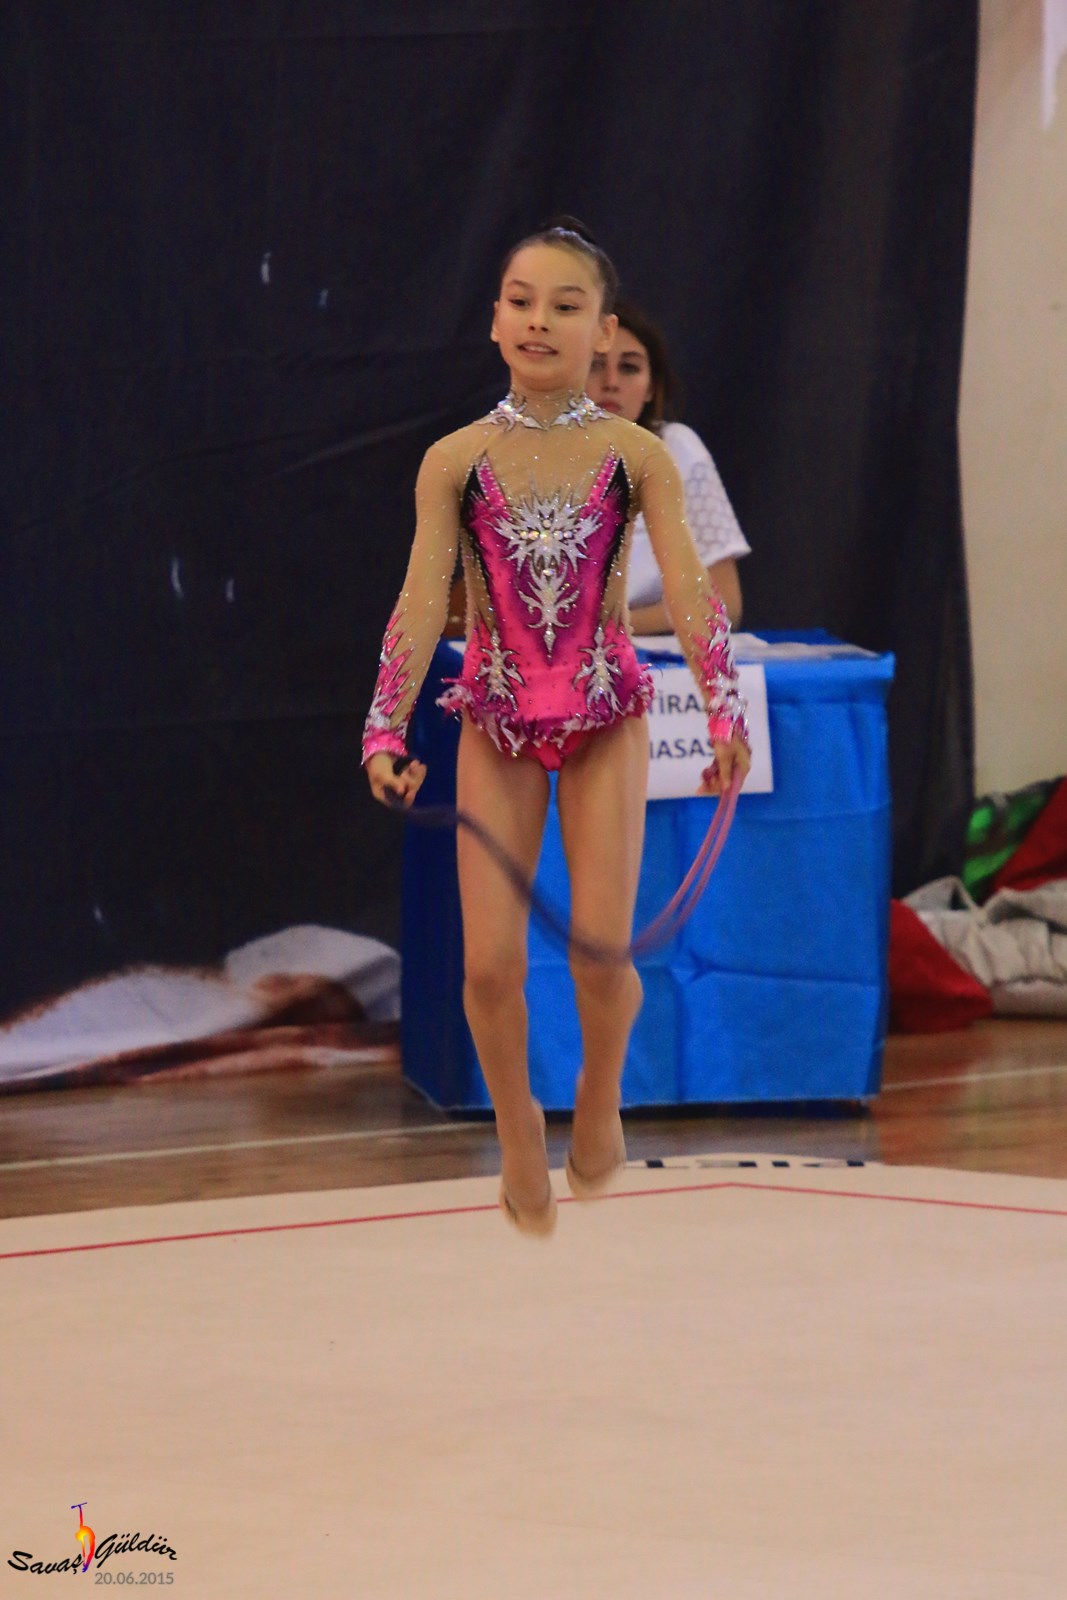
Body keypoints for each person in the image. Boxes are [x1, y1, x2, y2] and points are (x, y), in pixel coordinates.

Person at [362, 219, 750, 1238]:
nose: (539, 320)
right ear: (495, 320)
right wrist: (384, 727)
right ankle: (516, 1125)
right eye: (521, 301)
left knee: (596, 953)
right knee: (488, 969)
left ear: (603, 330)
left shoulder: (636, 457)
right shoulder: (455, 461)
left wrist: (722, 705)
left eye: (565, 306)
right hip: (494, 719)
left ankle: (600, 1091)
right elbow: (420, 599)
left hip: (605, 715)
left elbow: (697, 593)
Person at [586, 299, 749, 629]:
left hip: (652, 650)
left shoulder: (677, 449)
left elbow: (725, 604)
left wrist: (613, 628)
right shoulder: (526, 454)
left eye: (629, 368)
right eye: (595, 365)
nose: (612, 381)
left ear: (651, 388)